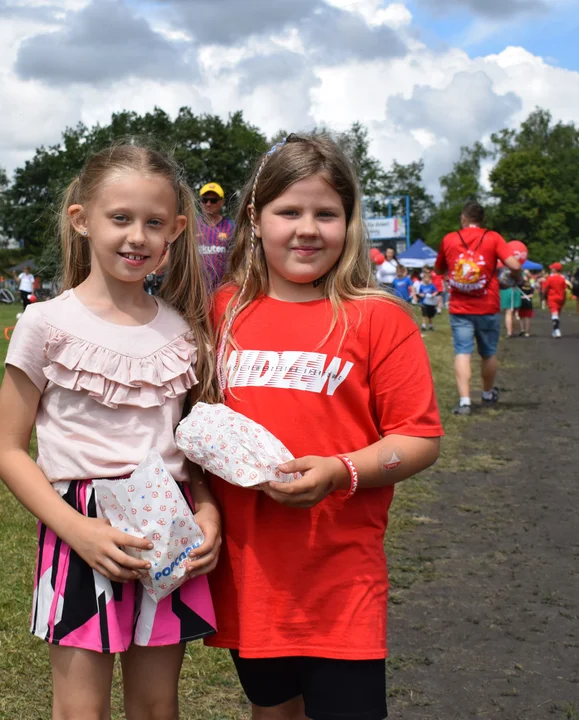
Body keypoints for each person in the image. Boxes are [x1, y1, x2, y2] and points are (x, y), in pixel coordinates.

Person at [210, 134, 442, 720]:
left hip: (341, 575)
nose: (307, 228)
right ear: (255, 221)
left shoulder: (379, 318)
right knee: (273, 709)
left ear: (350, 222)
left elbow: (419, 438)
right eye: (288, 211)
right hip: (251, 574)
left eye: (326, 214)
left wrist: (341, 472)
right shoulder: (224, 311)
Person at [0, 143, 222, 719]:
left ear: (177, 230)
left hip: (168, 524)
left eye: (154, 222)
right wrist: (76, 530)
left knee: (156, 706)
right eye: (120, 218)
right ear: (82, 219)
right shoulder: (46, 322)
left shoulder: (184, 332)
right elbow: (6, 447)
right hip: (80, 530)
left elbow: (187, 449)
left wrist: (209, 511)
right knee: (80, 710)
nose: (136, 236)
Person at [434, 201, 522, 416]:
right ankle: (487, 393)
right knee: (488, 353)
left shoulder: (450, 238)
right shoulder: (493, 237)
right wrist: (514, 279)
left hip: (460, 307)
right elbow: (515, 264)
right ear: (482, 220)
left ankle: (464, 401)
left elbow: (439, 268)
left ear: (463, 218)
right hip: (487, 304)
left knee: (462, 352)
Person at [197, 182, 236, 293]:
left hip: (223, 290)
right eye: (205, 200)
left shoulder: (231, 227)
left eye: (213, 200)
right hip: (196, 290)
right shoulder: (192, 226)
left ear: (222, 202)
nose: (208, 204)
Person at [544, 262, 567, 337]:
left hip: (552, 297)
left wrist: (544, 297)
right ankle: (555, 330)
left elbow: (545, 288)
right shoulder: (562, 278)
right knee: (557, 314)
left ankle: (557, 330)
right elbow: (565, 290)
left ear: (555, 270)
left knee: (554, 314)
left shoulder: (550, 278)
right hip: (561, 298)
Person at [499, 270, 521, 338]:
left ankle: (511, 331)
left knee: (510, 312)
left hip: (508, 290)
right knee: (510, 312)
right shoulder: (512, 269)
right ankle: (510, 331)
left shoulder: (502, 270)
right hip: (511, 289)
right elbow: (520, 280)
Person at [517, 273, 535, 337]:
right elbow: (532, 295)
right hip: (528, 302)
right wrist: (527, 296)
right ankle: (526, 332)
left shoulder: (520, 285)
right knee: (526, 318)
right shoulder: (531, 286)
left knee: (522, 317)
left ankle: (523, 330)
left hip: (522, 302)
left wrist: (523, 297)